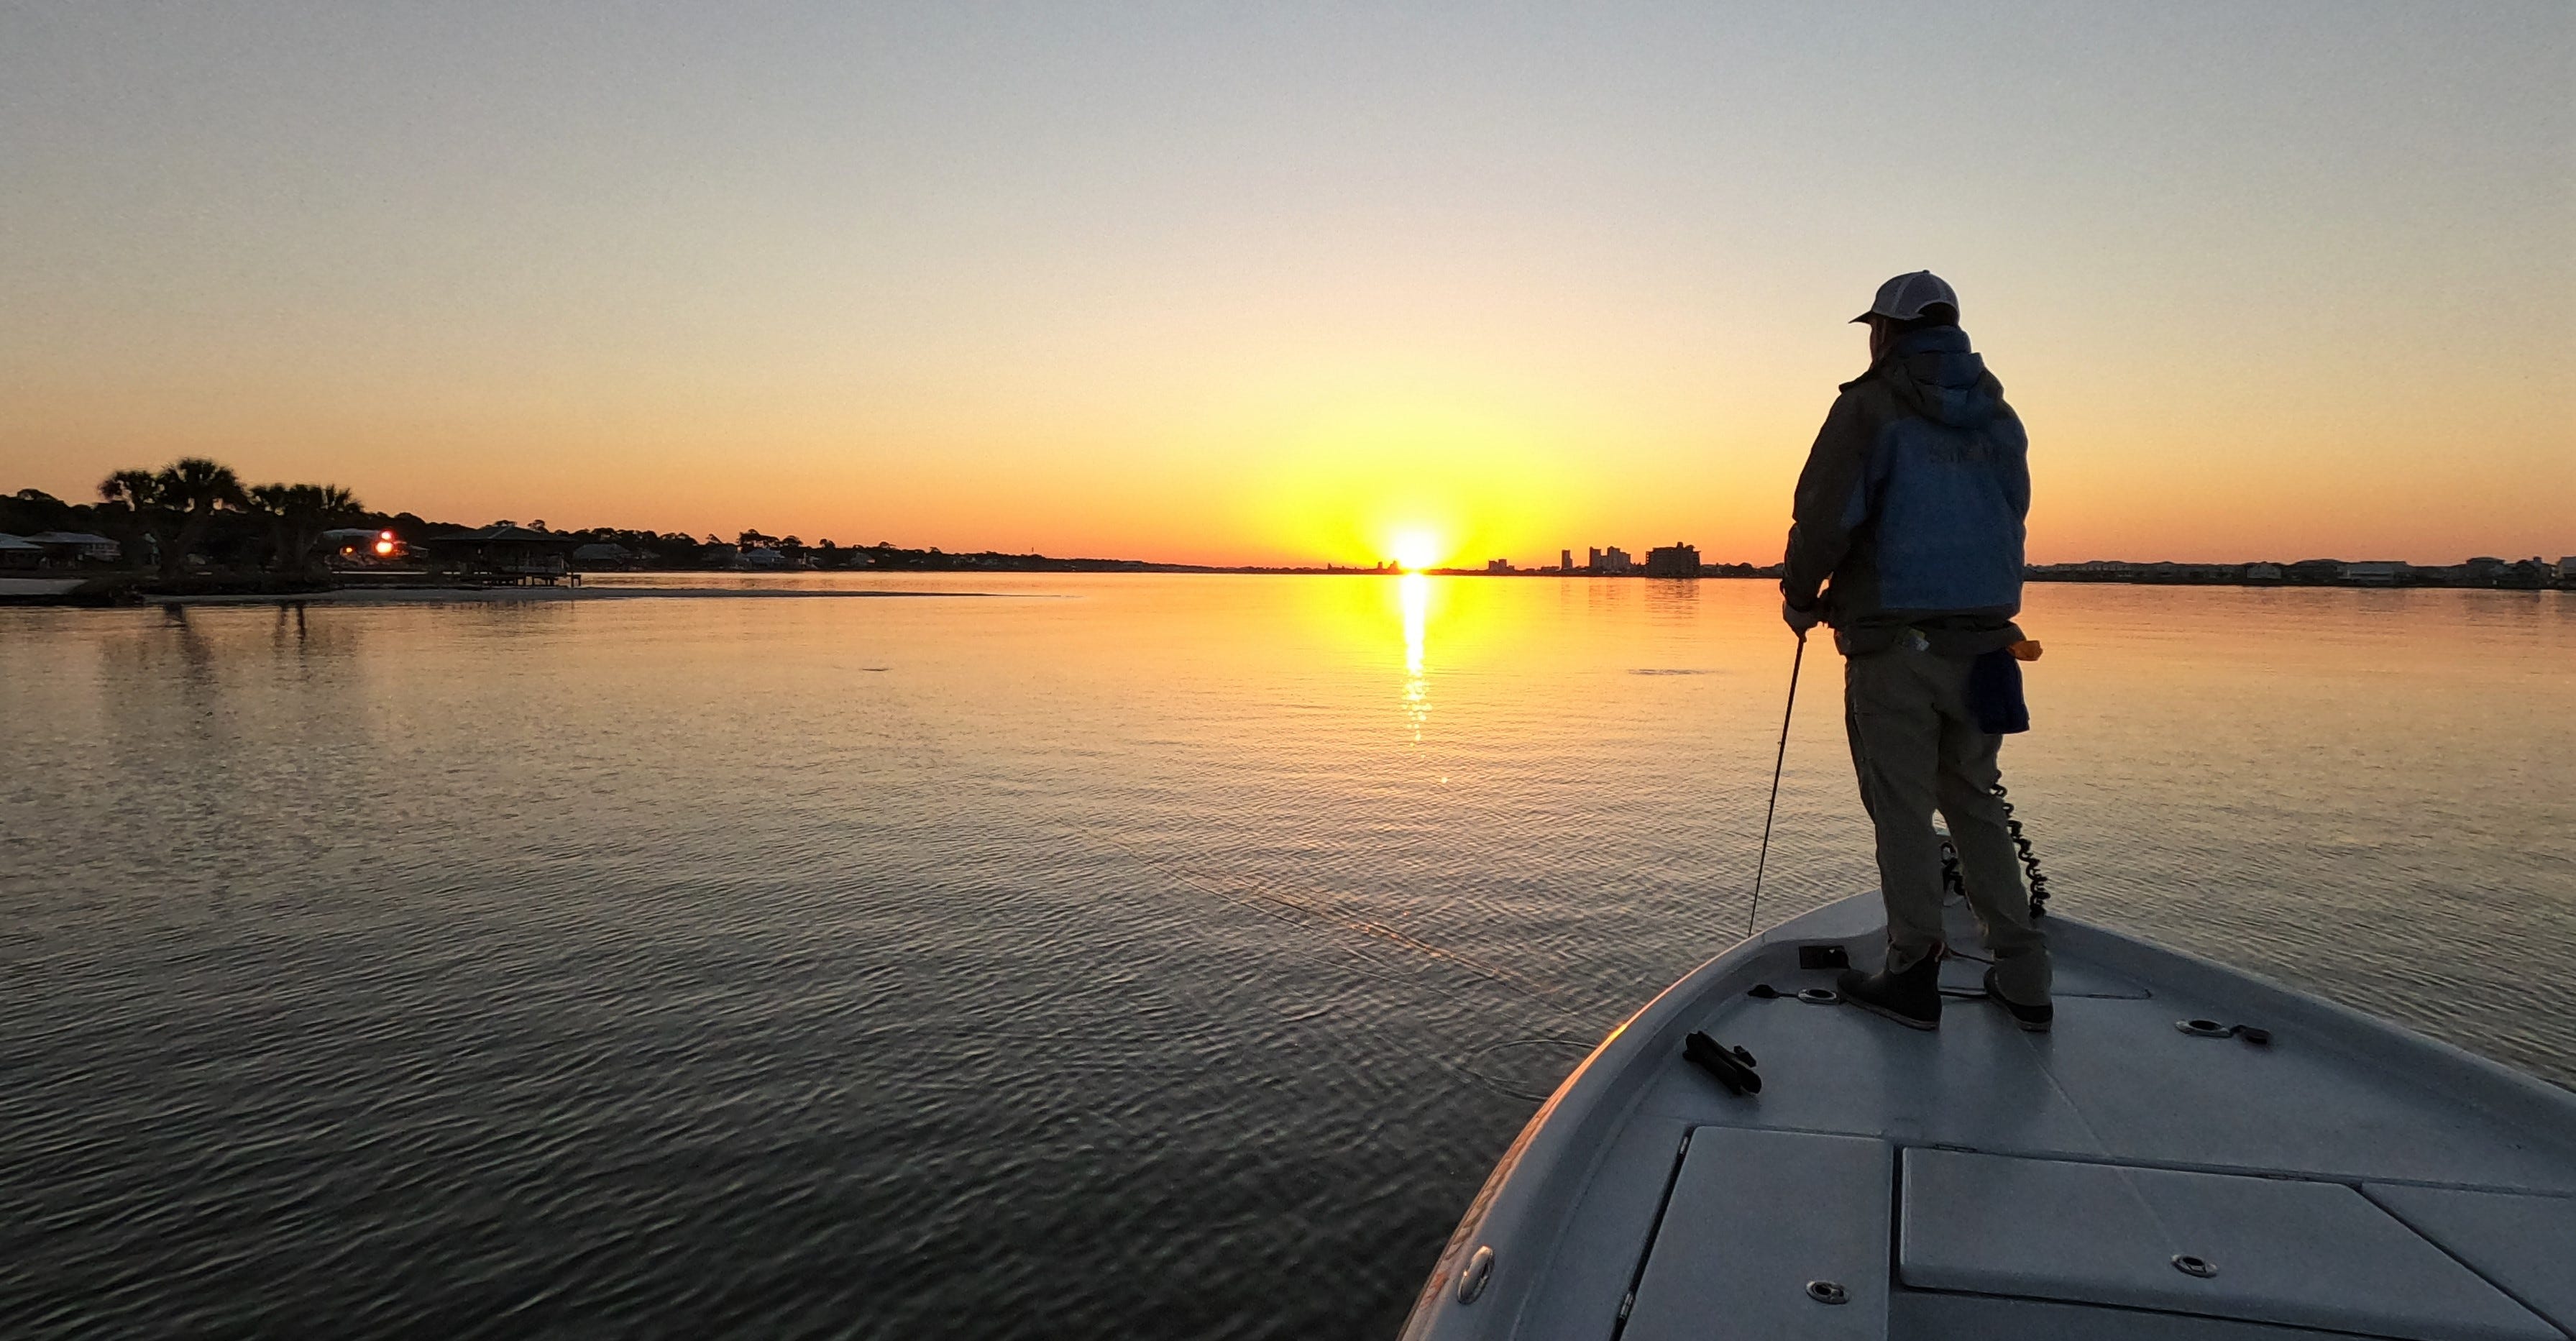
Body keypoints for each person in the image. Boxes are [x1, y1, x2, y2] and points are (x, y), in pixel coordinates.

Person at [1779, 270, 2052, 1033]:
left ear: (1886, 332)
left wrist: (1801, 596)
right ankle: (2026, 977)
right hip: (1985, 644)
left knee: (1901, 807)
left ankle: (1909, 971)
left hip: (1894, 646)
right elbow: (2009, 513)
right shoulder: (2000, 416)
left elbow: (1824, 514)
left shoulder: (1867, 406)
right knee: (1973, 800)